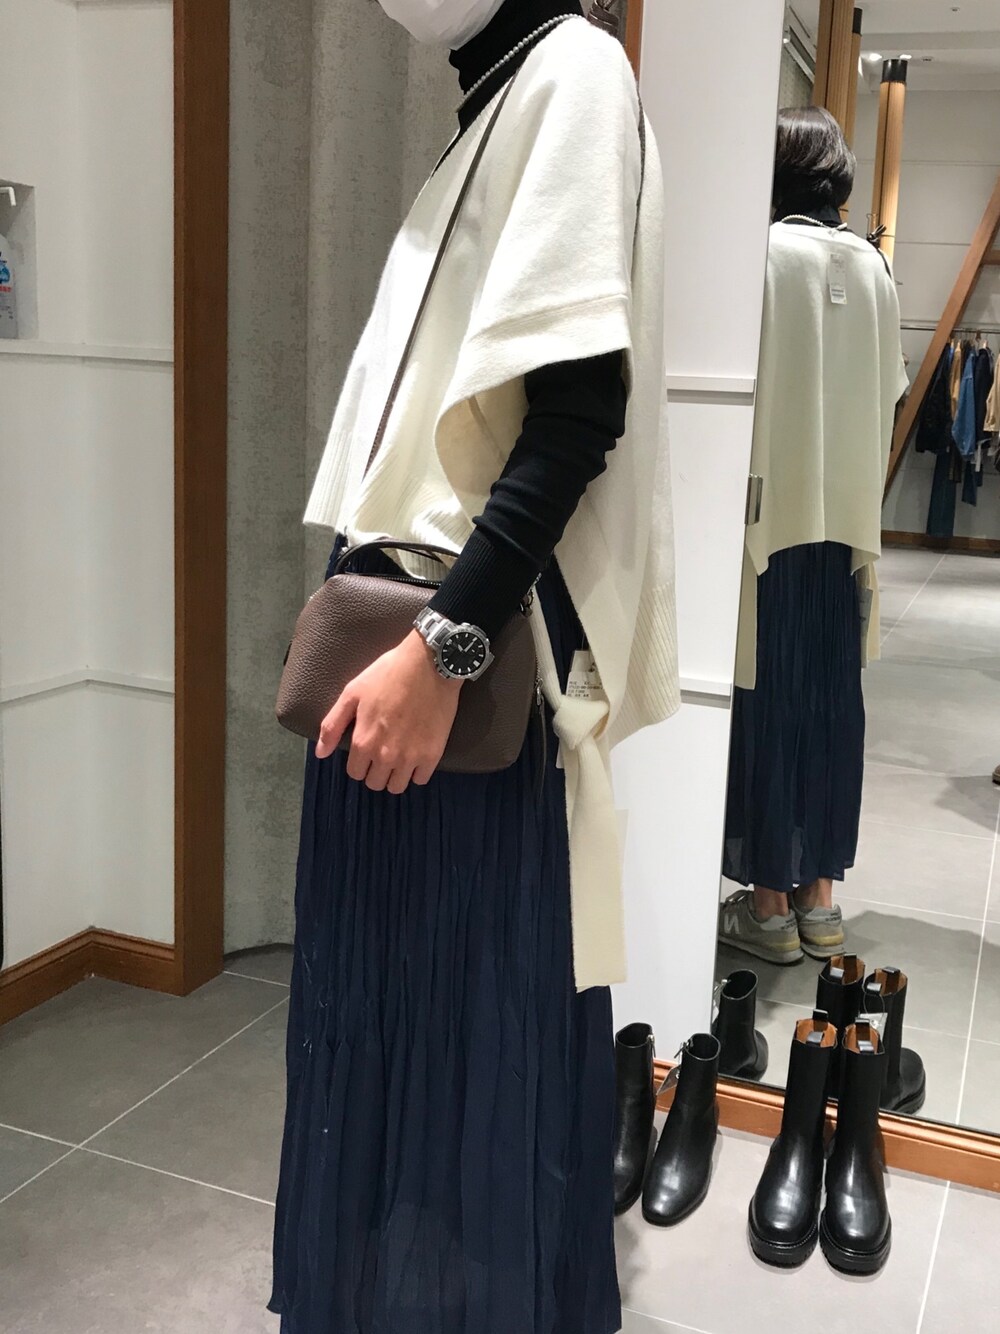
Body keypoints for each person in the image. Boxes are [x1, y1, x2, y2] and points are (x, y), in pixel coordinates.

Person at [267, 3, 678, 1332]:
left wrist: (441, 651)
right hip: (417, 664)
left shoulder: (574, 68)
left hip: (458, 677)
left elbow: (575, 414)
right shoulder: (494, 101)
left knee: (464, 1039)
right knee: (411, 1039)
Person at [718, 107, 908, 967]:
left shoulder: (759, 257)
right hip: (847, 529)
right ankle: (821, 902)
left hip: (768, 521)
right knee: (832, 704)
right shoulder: (873, 268)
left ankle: (766, 908)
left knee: (767, 703)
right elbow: (889, 389)